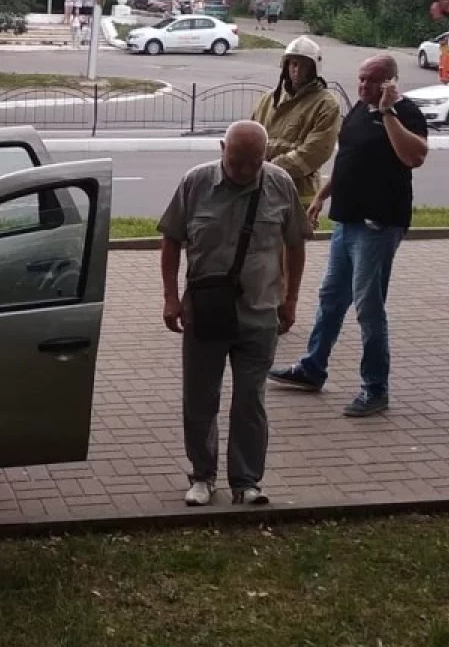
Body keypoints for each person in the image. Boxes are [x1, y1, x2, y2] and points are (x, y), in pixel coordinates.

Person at [268, 54, 429, 417]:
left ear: (390, 82)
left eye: (373, 80)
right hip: (347, 222)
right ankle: (313, 367)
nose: (364, 86)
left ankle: (375, 388)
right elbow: (348, 158)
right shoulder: (358, 109)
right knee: (331, 297)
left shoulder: (406, 113)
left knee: (368, 308)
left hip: (378, 225)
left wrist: (387, 113)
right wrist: (322, 196)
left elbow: (414, 157)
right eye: (361, 79)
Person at [159, 120, 308, 507]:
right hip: (205, 313)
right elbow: (171, 240)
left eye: (253, 162)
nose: (243, 170)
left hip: (260, 313)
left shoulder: (280, 184)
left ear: (265, 155)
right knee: (200, 398)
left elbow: (295, 245)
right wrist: (171, 298)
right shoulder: (195, 183)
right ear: (222, 149)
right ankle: (202, 475)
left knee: (250, 399)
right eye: (236, 161)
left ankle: (246, 481)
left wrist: (290, 299)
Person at [251, 36, 342, 208]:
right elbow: (251, 137)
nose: (297, 70)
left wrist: (269, 169)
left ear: (314, 69)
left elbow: (315, 152)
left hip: (299, 195)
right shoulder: (268, 99)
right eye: (293, 64)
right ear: (285, 65)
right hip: (263, 190)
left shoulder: (326, 104)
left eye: (304, 65)